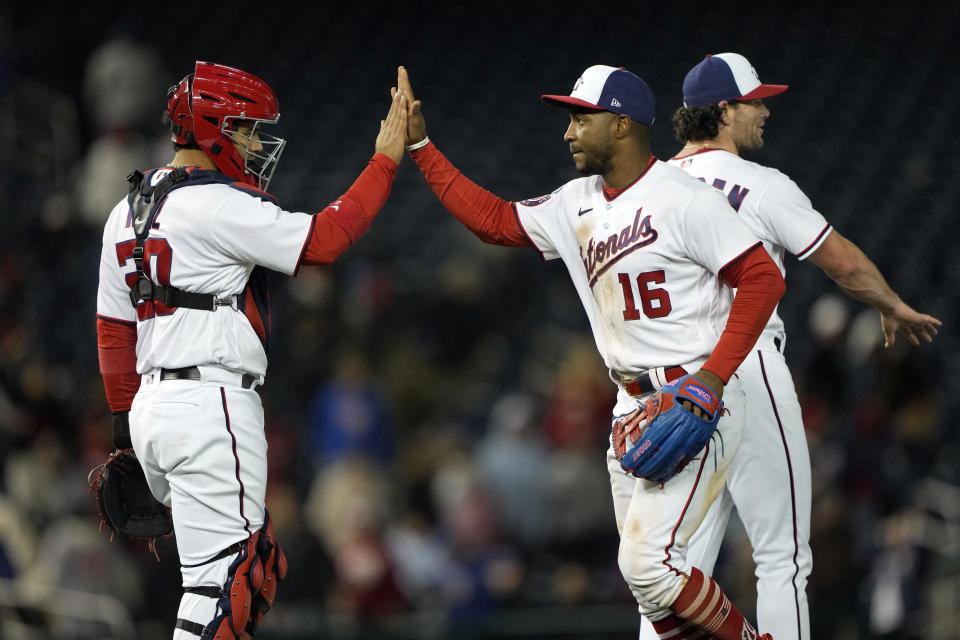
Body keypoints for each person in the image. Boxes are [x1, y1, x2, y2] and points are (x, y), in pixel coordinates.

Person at [396, 65, 785, 639]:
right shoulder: (573, 202)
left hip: (695, 398)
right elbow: (495, 221)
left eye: (582, 118)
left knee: (647, 566)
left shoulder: (684, 198)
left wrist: (714, 378)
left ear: (622, 124)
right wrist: (422, 147)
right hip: (631, 405)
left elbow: (762, 279)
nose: (568, 131)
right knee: (650, 594)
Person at [633, 52, 942, 640]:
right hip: (743, 364)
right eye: (754, 101)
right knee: (782, 555)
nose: (764, 110)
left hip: (672, 382)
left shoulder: (648, 188)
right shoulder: (759, 184)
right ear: (724, 111)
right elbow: (842, 261)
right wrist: (890, 304)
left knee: (675, 564)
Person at [95, 61, 407, 639]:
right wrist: (385, 158)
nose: (257, 142)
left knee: (221, 583)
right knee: (233, 586)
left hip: (152, 411)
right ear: (215, 127)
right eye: (247, 128)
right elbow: (323, 242)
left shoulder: (125, 211)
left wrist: (122, 426)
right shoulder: (218, 203)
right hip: (211, 405)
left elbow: (113, 329)